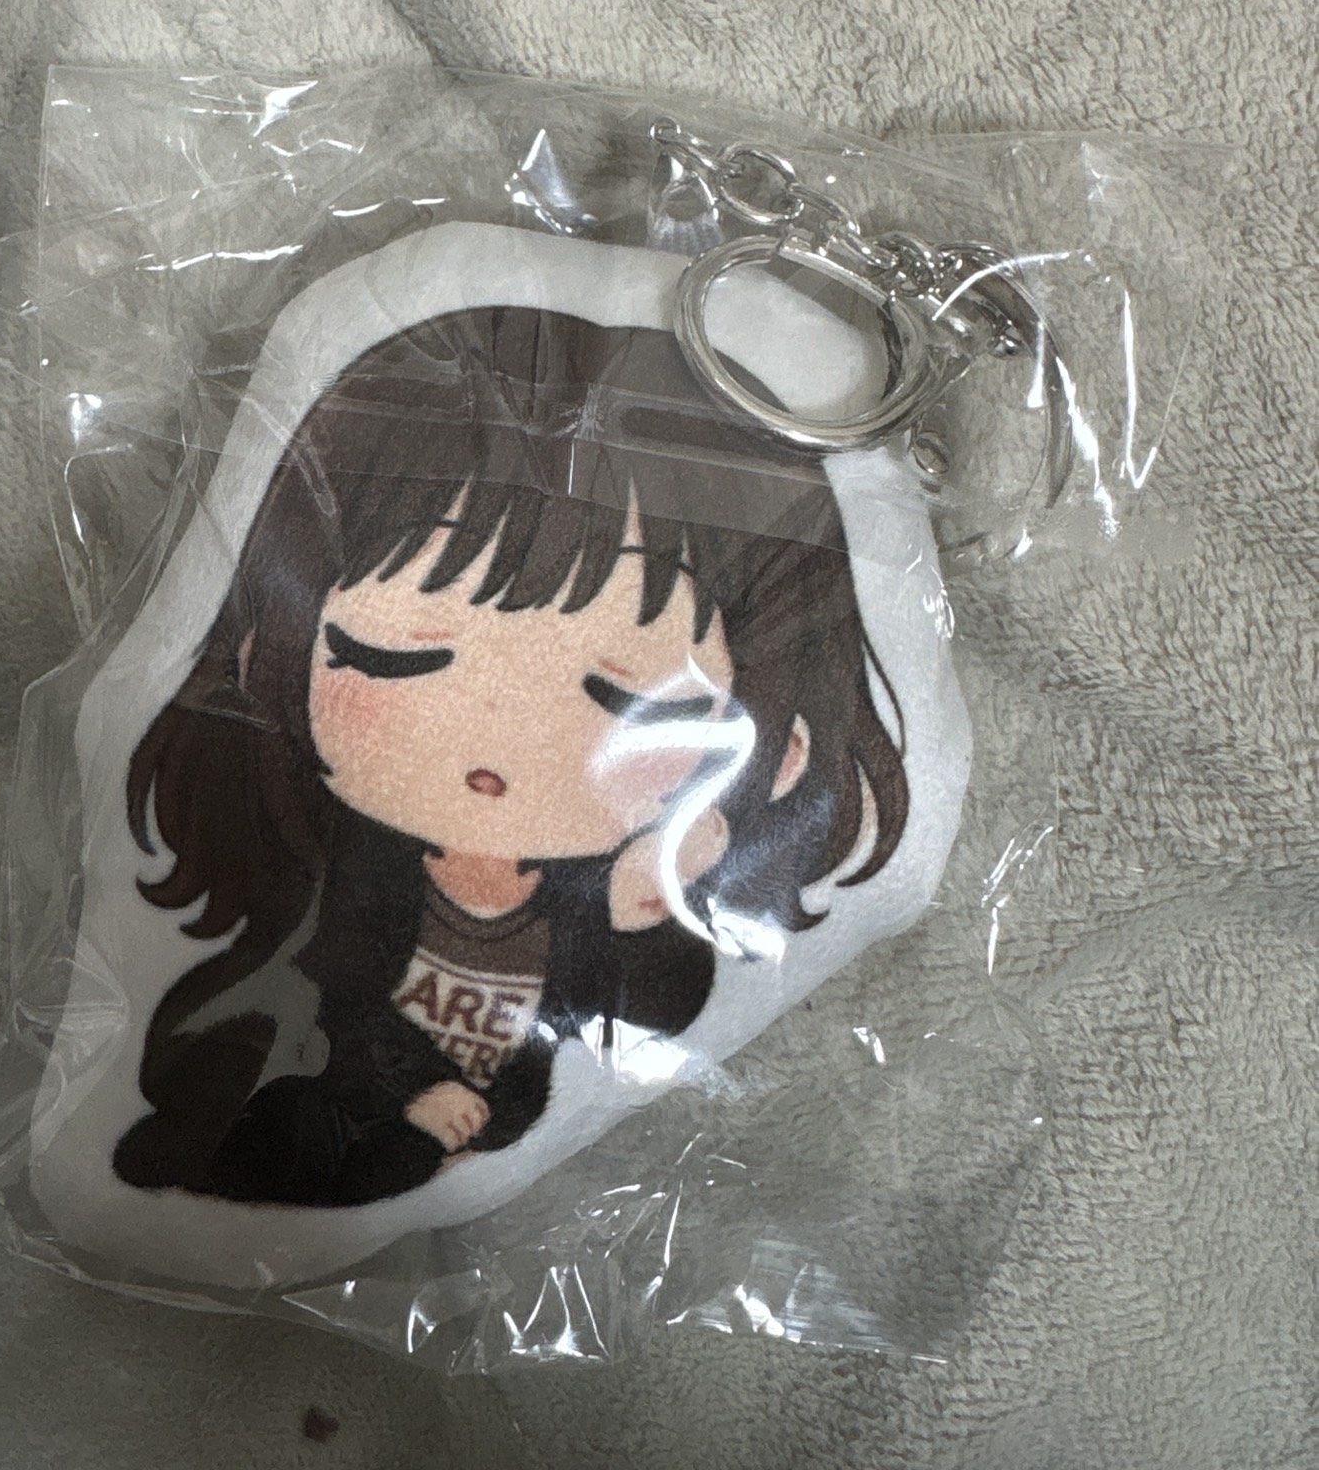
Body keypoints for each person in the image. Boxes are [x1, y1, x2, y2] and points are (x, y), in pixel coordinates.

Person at [111, 302, 908, 1207]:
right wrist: (415, 1093)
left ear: (779, 750)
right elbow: (328, 984)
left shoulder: (600, 897)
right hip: (306, 1076)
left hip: (472, 1130)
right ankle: (214, 1153)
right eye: (396, 659)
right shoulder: (353, 867)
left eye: (622, 700)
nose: (494, 739)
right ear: (270, 655)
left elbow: (656, 1010)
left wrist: (648, 912)